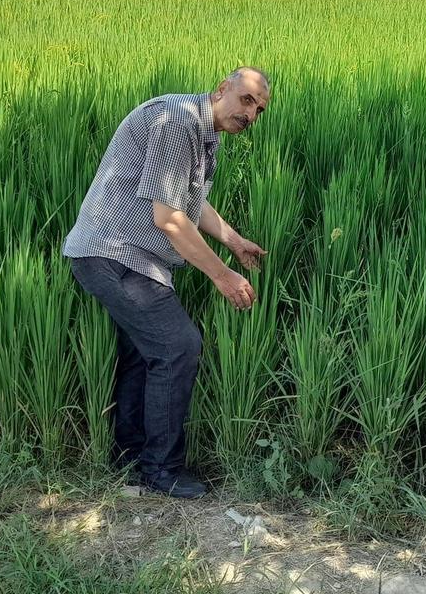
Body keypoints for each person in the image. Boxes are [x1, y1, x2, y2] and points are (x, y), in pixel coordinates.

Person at [62, 67, 271, 498]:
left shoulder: (198, 129)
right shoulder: (177, 122)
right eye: (247, 100)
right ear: (221, 89)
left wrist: (233, 241)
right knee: (179, 346)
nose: (251, 114)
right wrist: (224, 276)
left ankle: (131, 458)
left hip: (127, 256)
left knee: (146, 353)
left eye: (260, 110)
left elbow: (186, 199)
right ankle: (162, 470)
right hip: (114, 253)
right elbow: (171, 220)